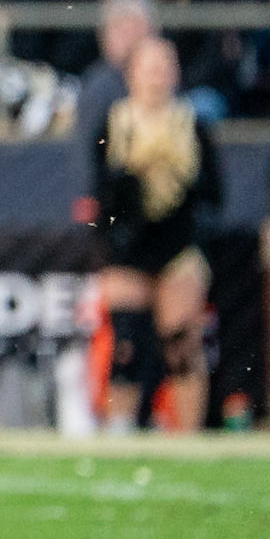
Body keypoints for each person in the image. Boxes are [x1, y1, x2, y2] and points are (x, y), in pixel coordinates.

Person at [92, 37, 223, 432]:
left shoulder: (192, 126)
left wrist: (180, 176)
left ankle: (188, 436)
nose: (157, 77)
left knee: (182, 346)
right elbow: (99, 194)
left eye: (165, 68)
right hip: (128, 245)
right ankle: (119, 431)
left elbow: (214, 195)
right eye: (149, 68)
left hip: (177, 244)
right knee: (127, 346)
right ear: (132, 75)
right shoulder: (113, 124)